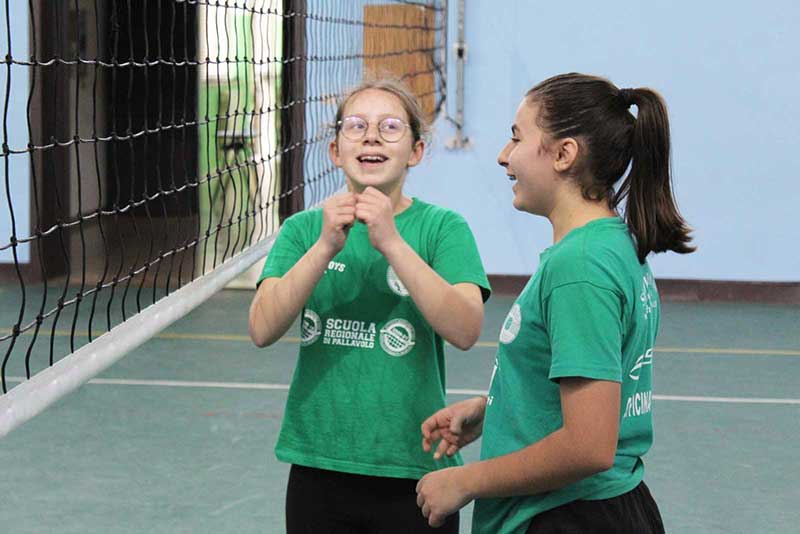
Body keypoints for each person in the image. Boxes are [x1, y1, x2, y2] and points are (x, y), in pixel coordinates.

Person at [415, 72, 695, 533]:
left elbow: (588, 445)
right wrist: (497, 409)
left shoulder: (580, 266)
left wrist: (465, 480)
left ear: (565, 154)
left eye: (516, 137)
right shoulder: (611, 246)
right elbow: (591, 387)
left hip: (568, 517)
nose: (505, 156)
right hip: (597, 508)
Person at [248, 78, 491, 534]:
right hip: (318, 463)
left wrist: (392, 242)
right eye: (356, 125)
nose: (372, 136)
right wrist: (323, 247)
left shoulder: (443, 229)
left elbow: (465, 330)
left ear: (416, 152)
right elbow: (262, 328)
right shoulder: (303, 229)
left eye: (390, 126)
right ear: (336, 151)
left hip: (415, 467)